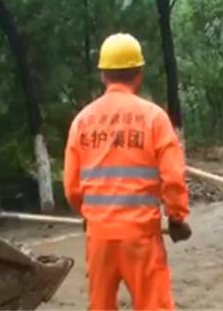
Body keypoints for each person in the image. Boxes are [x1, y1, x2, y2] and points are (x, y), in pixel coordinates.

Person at [63, 33, 192, 311]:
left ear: (103, 75)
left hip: (99, 238)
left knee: (101, 306)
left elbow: (72, 186)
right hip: (141, 237)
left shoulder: (82, 121)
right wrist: (178, 217)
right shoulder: (154, 118)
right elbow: (172, 176)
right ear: (139, 74)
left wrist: (89, 215)